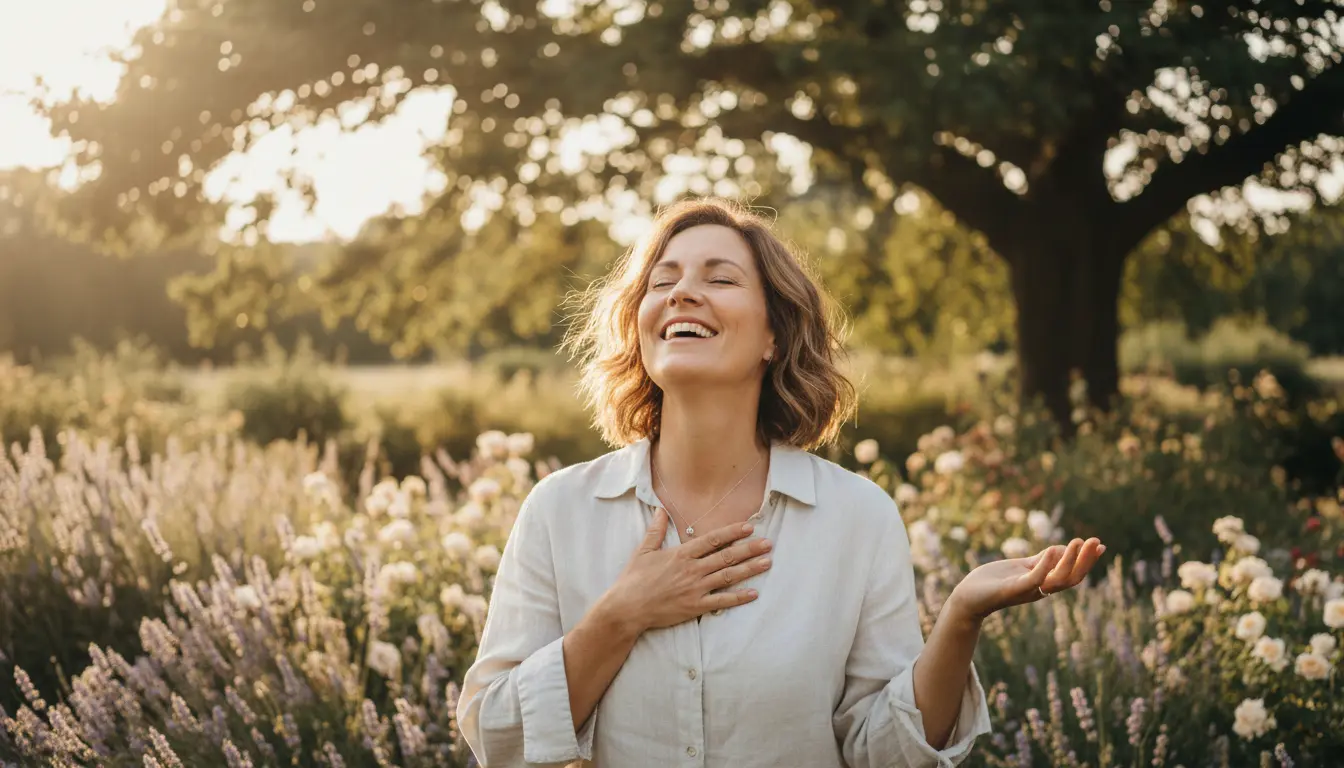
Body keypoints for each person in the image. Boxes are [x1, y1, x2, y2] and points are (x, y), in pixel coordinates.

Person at [455, 198, 1105, 767]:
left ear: (772, 333)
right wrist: (622, 615)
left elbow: (881, 755)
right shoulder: (559, 510)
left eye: (720, 277)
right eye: (663, 280)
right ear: (642, 324)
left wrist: (961, 616)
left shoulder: (856, 517)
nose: (682, 293)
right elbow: (494, 737)